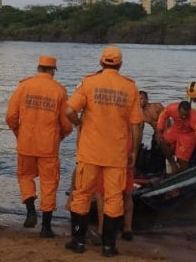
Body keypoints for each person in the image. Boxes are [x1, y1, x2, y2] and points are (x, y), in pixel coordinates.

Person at [64, 46, 143, 257]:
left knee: (81, 195)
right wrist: (133, 151)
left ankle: (78, 241)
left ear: (101, 63)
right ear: (120, 64)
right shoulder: (130, 87)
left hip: (90, 152)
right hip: (116, 154)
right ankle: (109, 247)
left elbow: (69, 110)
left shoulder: (89, 83)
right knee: (114, 198)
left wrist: (79, 122)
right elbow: (136, 125)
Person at [5, 55, 72, 238]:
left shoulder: (24, 86)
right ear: (53, 70)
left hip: (26, 143)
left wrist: (20, 133)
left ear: (38, 68)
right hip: (48, 146)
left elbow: (11, 116)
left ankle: (30, 211)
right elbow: (66, 124)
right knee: (49, 184)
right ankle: (46, 227)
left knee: (25, 176)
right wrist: (60, 137)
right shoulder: (59, 90)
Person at [156, 100, 196, 174]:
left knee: (182, 160)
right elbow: (163, 115)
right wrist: (159, 130)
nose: (183, 117)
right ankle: (173, 164)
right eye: (181, 114)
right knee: (161, 140)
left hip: (189, 134)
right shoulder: (171, 108)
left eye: (185, 115)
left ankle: (181, 173)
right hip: (176, 128)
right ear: (178, 110)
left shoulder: (195, 118)